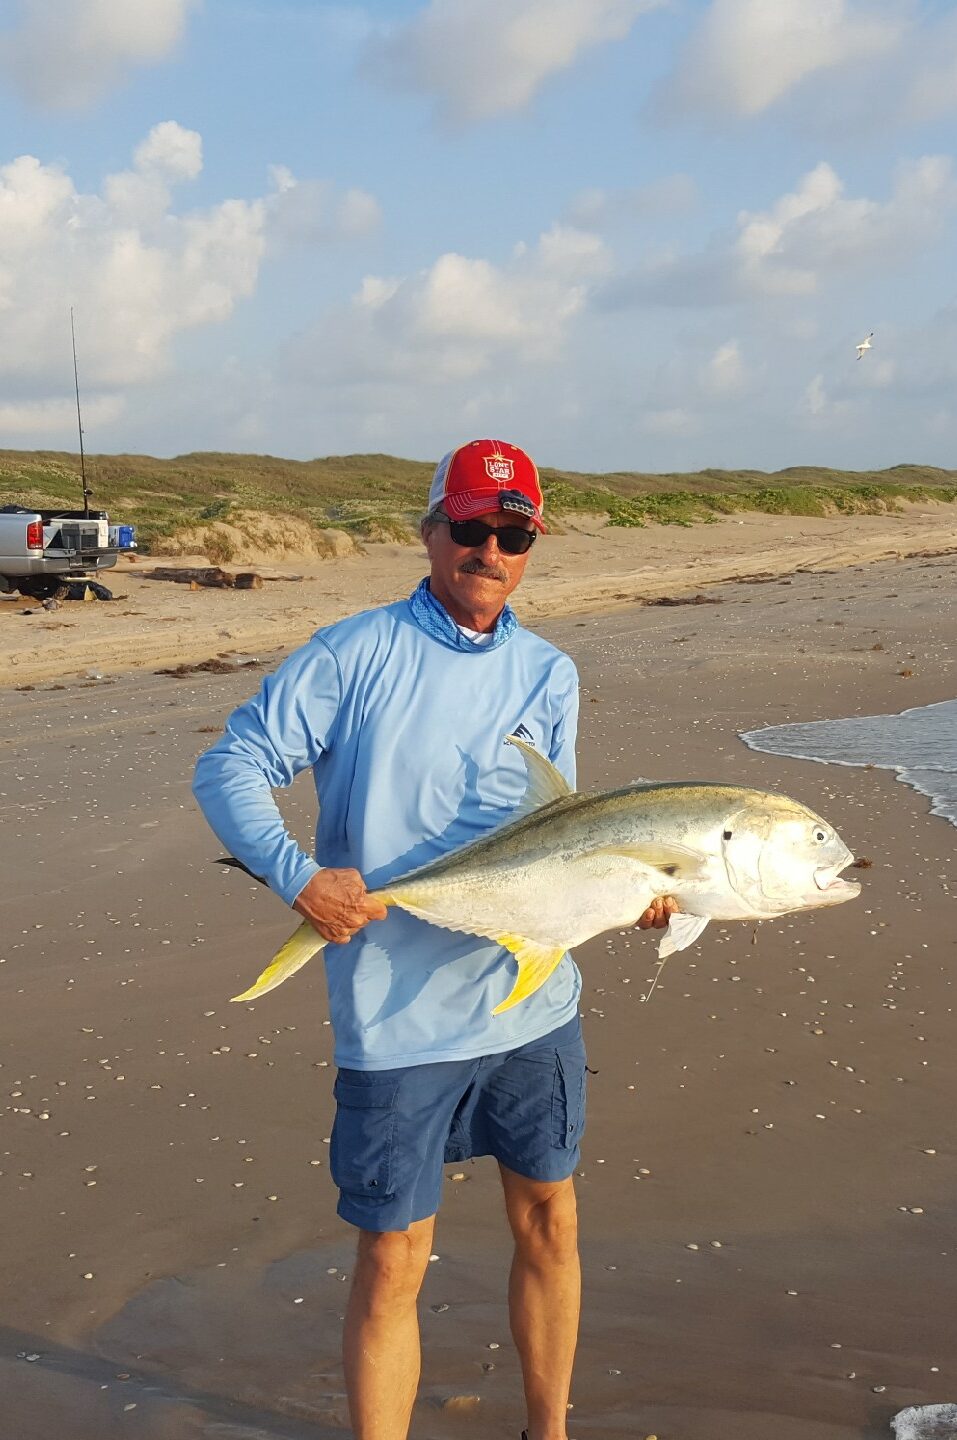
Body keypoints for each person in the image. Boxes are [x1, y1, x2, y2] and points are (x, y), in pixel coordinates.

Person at [192, 439, 676, 1440]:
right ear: (430, 531)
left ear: (531, 546)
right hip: (396, 1018)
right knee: (393, 1258)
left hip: (531, 1004)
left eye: (513, 532)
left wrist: (636, 894)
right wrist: (298, 875)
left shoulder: (551, 672)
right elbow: (231, 764)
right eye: (470, 526)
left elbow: (559, 833)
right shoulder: (354, 653)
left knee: (552, 1221)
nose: (489, 549)